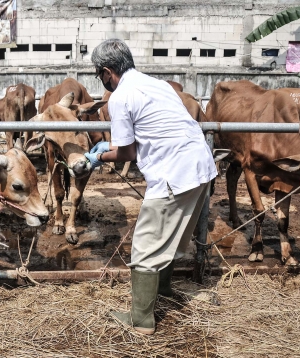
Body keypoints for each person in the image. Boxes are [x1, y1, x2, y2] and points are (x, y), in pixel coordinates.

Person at [85, 39, 217, 335]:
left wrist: (99, 156)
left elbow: (127, 153)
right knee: (171, 235)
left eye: (100, 75)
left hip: (174, 173)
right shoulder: (156, 84)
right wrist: (112, 145)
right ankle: (164, 290)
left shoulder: (119, 97)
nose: (102, 81)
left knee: (145, 244)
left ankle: (141, 319)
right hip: (201, 167)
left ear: (107, 72)